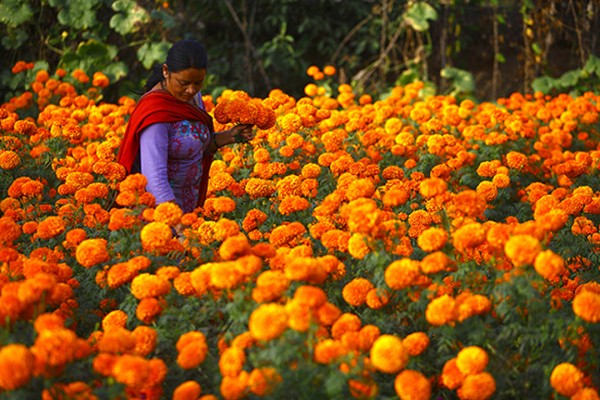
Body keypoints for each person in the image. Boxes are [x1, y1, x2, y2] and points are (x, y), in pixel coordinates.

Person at [117, 39, 253, 214]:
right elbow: (154, 180)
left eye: (198, 83)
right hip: (162, 217)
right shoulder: (156, 114)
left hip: (190, 210)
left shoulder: (191, 98)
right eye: (184, 83)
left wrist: (229, 136)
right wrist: (179, 227)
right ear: (166, 71)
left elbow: (197, 147)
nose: (191, 89)